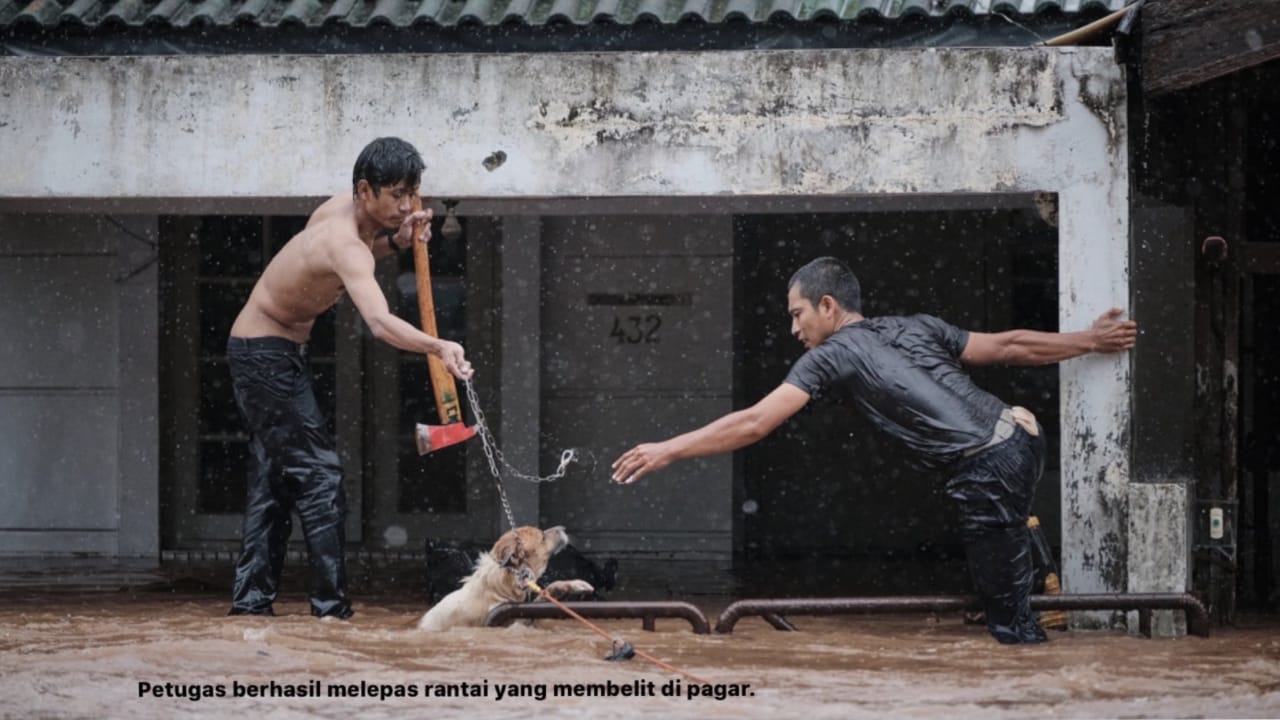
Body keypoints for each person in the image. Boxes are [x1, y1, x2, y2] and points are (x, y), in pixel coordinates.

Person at [611, 256, 1137, 644]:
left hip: (986, 469)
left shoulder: (830, 355)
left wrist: (670, 449)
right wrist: (1088, 341)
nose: (794, 329)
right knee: (999, 547)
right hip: (1022, 435)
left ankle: (1034, 639)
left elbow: (754, 423)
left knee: (1013, 632)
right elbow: (1009, 346)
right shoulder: (916, 326)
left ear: (828, 305)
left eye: (797, 315)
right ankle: (1027, 550)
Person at [226, 137, 474, 619]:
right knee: (320, 478)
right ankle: (331, 613)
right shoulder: (344, 240)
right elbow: (379, 322)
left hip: (270, 350)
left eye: (412, 193)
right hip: (264, 354)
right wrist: (439, 345)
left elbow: (349, 256)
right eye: (396, 195)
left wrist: (397, 242)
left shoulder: (345, 216)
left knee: (276, 480)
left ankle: (252, 606)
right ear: (365, 190)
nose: (407, 205)